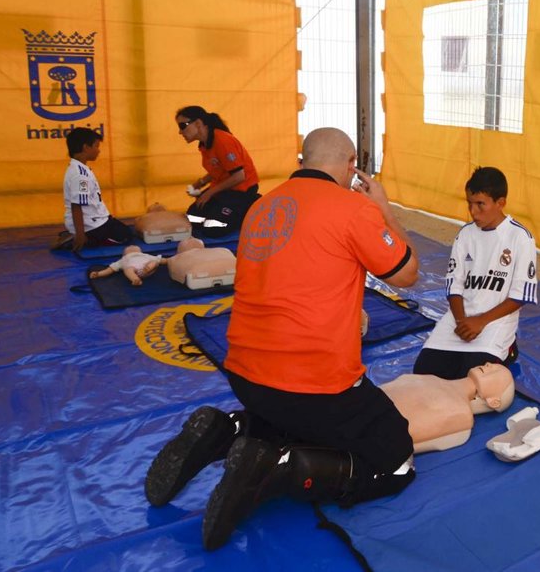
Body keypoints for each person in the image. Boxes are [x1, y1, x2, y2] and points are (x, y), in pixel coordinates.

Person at [142, 127, 419, 551]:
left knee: (293, 416)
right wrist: (382, 209)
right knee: (396, 461)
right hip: (315, 383)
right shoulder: (353, 209)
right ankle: (276, 470)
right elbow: (408, 273)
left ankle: (229, 431)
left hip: (244, 376)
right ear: (351, 166)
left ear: (302, 160)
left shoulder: (262, 206)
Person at [413, 167, 538, 380]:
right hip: (460, 319)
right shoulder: (465, 235)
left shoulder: (520, 238)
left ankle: (509, 348)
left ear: (500, 203)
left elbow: (520, 296)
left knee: (471, 380)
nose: (473, 211)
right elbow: (454, 286)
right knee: (423, 374)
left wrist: (480, 321)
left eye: (480, 204)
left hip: (494, 322)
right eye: (469, 203)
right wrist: (462, 321)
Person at [380, 363, 516, 453]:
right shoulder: (433, 379)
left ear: (494, 402)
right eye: (492, 365)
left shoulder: (459, 413)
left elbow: (397, 439)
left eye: (496, 372)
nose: (488, 364)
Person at [176, 105, 261, 235]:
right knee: (193, 219)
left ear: (198, 123)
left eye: (183, 126)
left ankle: (250, 205)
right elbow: (219, 168)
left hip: (241, 190)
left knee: (213, 228)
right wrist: (201, 182)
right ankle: (226, 211)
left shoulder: (222, 140)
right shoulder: (205, 144)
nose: (180, 132)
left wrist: (209, 193)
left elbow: (239, 176)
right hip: (223, 190)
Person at [54, 127, 133, 252]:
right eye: (96, 146)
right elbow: (76, 205)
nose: (99, 150)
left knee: (125, 230)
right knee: (126, 236)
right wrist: (80, 235)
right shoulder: (81, 176)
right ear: (86, 147)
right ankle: (86, 239)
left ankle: (79, 234)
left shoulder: (80, 169)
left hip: (95, 219)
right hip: (91, 225)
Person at [166, 237, 236, 287]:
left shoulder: (177, 258)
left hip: (198, 275)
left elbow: (165, 261)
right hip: (234, 270)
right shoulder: (223, 250)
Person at [88, 245, 164, 286]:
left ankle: (148, 268)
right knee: (128, 270)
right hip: (136, 271)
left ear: (140, 252)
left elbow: (160, 260)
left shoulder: (145, 255)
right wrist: (99, 274)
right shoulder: (123, 259)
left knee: (154, 262)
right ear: (124, 254)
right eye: (129, 248)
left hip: (148, 269)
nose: (132, 248)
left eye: (134, 248)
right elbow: (110, 269)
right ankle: (135, 279)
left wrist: (168, 261)